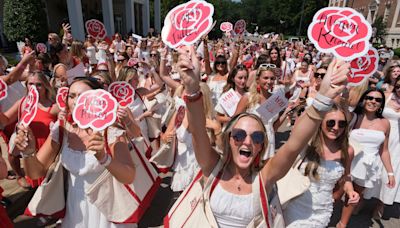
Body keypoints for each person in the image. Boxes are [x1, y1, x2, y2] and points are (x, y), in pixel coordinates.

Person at [174, 45, 348, 227]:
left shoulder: (266, 176)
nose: (247, 142)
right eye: (239, 135)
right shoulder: (213, 168)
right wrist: (192, 89)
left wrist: (322, 101)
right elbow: (198, 132)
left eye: (256, 137)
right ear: (229, 138)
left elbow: (294, 144)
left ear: (262, 146)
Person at [13, 77, 135, 227]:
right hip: (75, 209)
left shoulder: (111, 130)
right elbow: (36, 172)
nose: (76, 101)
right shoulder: (63, 128)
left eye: (83, 96)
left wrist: (104, 158)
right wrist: (28, 153)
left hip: (107, 210)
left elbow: (129, 176)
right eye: (71, 96)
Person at [283, 105, 359, 227]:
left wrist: (350, 191)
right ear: (321, 122)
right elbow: (299, 126)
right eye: (330, 123)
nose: (336, 127)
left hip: (322, 210)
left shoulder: (347, 151)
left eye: (341, 124)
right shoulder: (306, 144)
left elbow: (346, 177)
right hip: (296, 206)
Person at [337, 88, 396, 227]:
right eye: (369, 98)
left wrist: (390, 173)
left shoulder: (385, 123)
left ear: (381, 104)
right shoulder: (354, 117)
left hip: (368, 166)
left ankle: (342, 224)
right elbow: (343, 109)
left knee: (354, 197)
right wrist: (345, 95)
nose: (373, 101)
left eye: (378, 100)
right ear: (363, 100)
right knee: (336, 195)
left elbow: (384, 150)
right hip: (349, 163)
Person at [1, 71, 58, 188]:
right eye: (31, 84)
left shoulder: (54, 106)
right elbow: (5, 120)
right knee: (35, 181)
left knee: (51, 183)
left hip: (48, 150)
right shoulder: (22, 102)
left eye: (39, 84)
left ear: (46, 86)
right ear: (26, 85)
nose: (34, 88)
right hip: (29, 149)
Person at [364, 77, 400, 218]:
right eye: (398, 86)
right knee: (372, 165)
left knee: (391, 170)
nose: (399, 89)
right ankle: (363, 197)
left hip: (397, 141)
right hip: (380, 134)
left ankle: (381, 203)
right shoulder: (386, 96)